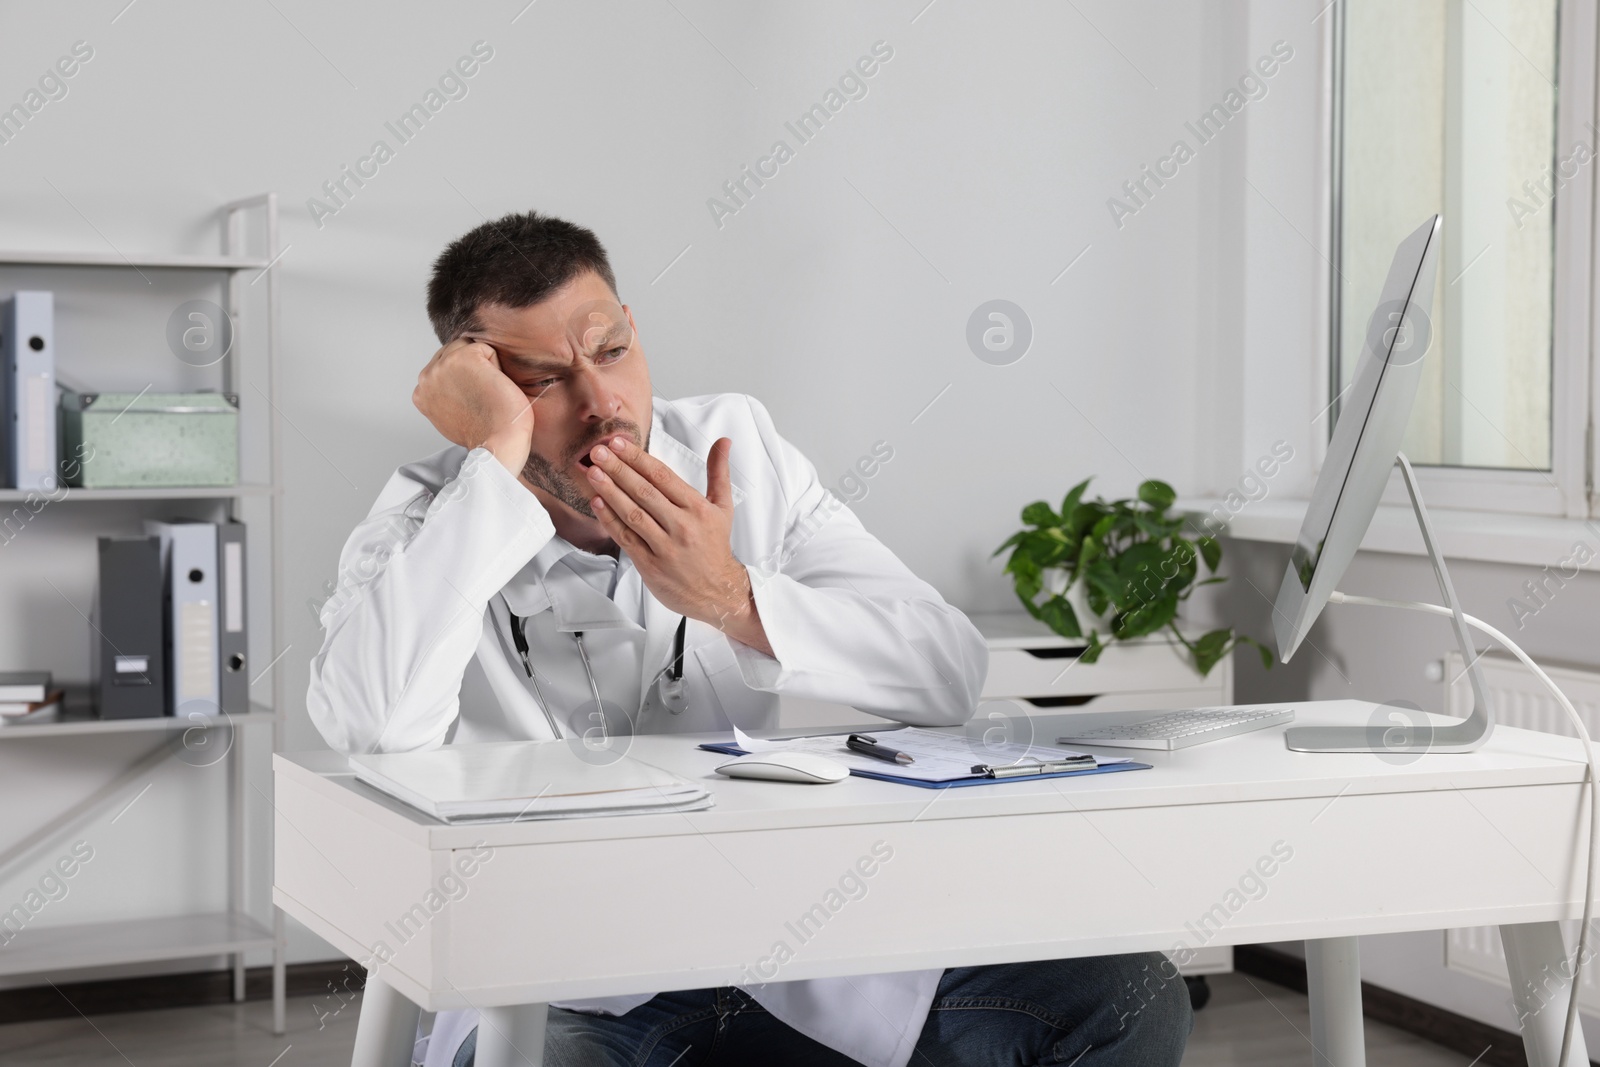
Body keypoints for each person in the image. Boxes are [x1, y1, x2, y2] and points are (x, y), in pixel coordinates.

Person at [306, 211, 1191, 1067]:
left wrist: (733, 598)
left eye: (612, 352)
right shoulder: (428, 520)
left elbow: (947, 667)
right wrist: (494, 465)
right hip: (569, 978)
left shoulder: (742, 447)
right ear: (481, 396)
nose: (602, 403)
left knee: (1130, 996)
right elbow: (371, 730)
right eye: (541, 381)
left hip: (776, 946)